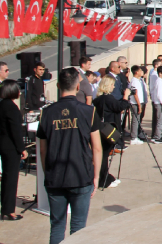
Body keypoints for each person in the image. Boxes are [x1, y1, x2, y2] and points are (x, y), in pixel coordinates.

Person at [37, 67, 102, 244]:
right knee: (79, 226)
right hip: (81, 174)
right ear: (78, 87)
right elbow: (97, 148)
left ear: (58, 85)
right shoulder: (89, 112)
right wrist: (96, 176)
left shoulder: (46, 113)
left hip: (55, 176)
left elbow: (43, 149)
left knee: (57, 225)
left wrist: (47, 172)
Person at [0, 80, 27, 221]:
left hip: (3, 143)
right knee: (11, 179)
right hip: (10, 146)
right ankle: (9, 211)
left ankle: (6, 209)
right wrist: (22, 148)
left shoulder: (1, 105)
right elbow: (15, 130)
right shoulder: (11, 107)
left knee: (7, 178)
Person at [93, 76, 131, 186]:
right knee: (104, 156)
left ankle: (105, 177)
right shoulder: (108, 98)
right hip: (108, 129)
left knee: (103, 155)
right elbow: (120, 106)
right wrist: (126, 96)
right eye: (112, 85)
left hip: (101, 128)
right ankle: (104, 180)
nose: (113, 87)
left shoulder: (98, 99)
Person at [128, 65, 147, 145]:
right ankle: (133, 137)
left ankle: (135, 136)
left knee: (137, 120)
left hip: (139, 103)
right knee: (135, 120)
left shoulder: (139, 80)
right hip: (135, 103)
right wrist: (139, 105)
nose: (142, 72)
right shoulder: (134, 81)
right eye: (140, 71)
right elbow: (135, 94)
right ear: (136, 72)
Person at [150, 66, 162, 143]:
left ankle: (156, 135)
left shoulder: (158, 81)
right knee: (160, 121)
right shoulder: (160, 82)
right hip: (159, 103)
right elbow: (160, 95)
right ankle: (157, 137)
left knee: (158, 120)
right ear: (160, 73)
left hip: (156, 102)